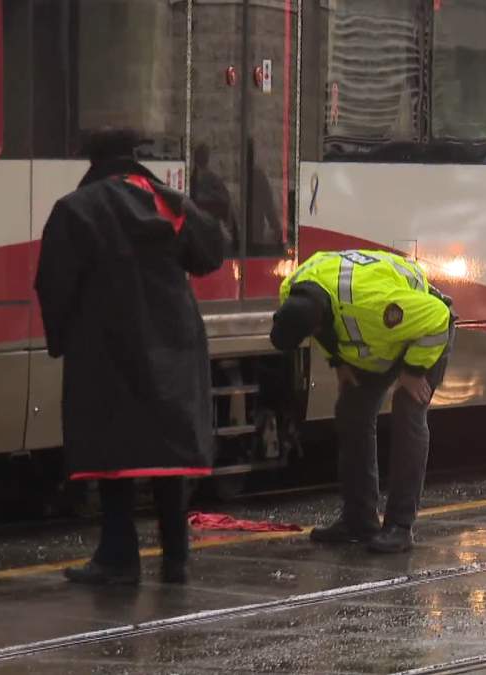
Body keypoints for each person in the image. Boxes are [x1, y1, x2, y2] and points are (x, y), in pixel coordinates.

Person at [35, 129, 226, 586]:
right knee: (168, 457)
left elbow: (54, 284)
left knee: (113, 453)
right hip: (173, 341)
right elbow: (210, 255)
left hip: (107, 344)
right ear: (134, 160)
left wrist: (60, 338)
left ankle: (118, 558)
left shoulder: (75, 209)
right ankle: (176, 557)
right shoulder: (169, 203)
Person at [270, 249, 454, 553]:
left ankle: (399, 526)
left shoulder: (373, 306)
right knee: (351, 411)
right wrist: (337, 362)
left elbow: (437, 317)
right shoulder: (292, 289)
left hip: (423, 333)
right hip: (376, 341)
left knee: (407, 411)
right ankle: (358, 521)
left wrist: (414, 371)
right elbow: (322, 330)